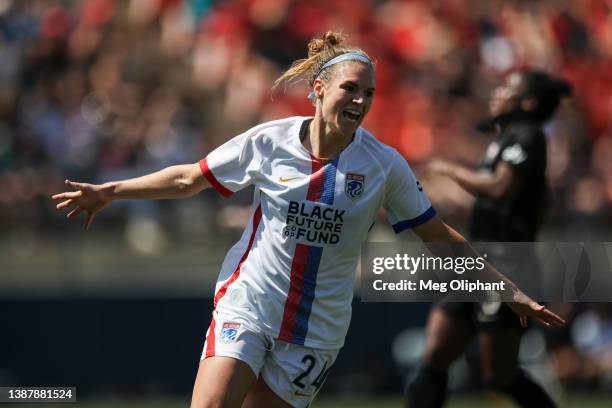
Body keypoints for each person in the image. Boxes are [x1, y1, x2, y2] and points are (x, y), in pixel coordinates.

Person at [52, 33, 564, 408]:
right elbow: (190, 178)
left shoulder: (385, 165)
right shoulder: (268, 141)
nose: (361, 101)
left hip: (316, 331)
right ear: (318, 89)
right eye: (350, 89)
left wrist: (506, 289)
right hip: (250, 302)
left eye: (369, 94)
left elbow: (439, 238)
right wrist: (110, 191)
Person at [407, 70, 573, 408]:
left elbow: (498, 188)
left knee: (499, 376)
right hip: (474, 257)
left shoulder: (529, 137)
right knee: (434, 357)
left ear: (527, 102)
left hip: (507, 262)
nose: (496, 94)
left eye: (506, 89)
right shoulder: (505, 139)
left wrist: (448, 169)